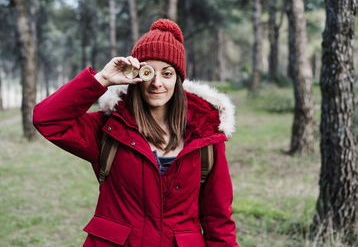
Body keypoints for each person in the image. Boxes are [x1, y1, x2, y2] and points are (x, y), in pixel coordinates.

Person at [33, 19, 238, 247]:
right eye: (148, 72)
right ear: (135, 75)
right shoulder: (109, 128)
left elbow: (218, 220)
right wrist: (102, 79)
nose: (156, 83)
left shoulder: (205, 136)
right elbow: (46, 119)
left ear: (179, 80)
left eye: (167, 74)